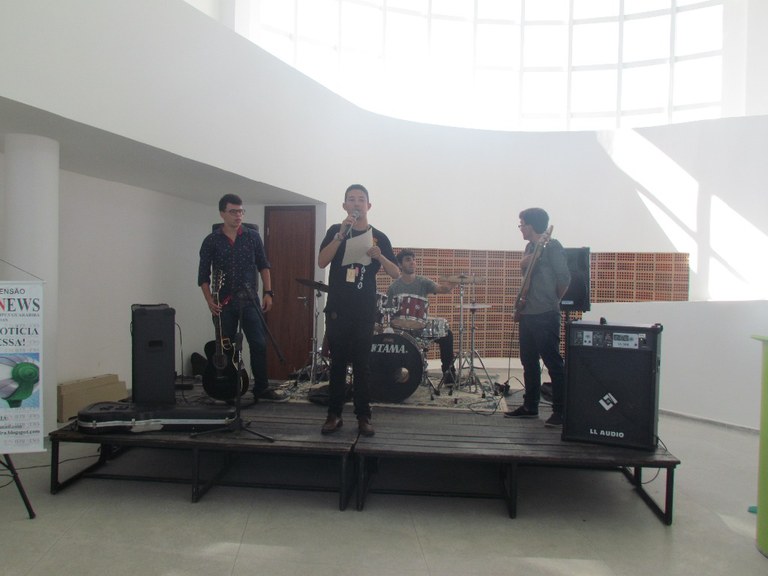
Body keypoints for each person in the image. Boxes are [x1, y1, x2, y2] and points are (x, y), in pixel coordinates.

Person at [318, 184, 400, 436]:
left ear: (368, 206)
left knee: (363, 365)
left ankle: (363, 416)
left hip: (364, 309)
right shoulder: (336, 231)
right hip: (338, 308)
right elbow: (321, 261)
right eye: (351, 199)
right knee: (338, 364)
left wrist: (380, 257)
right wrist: (340, 235)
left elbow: (396, 273)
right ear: (344, 206)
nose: (356, 203)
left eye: (361, 199)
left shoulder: (379, 237)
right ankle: (334, 415)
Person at [198, 193, 287, 402]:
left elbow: (263, 265)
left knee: (258, 344)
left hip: (250, 301)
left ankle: (262, 388)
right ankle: (228, 388)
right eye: (233, 212)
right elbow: (203, 276)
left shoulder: (252, 237)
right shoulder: (211, 241)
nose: (238, 215)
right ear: (222, 213)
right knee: (225, 348)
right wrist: (209, 300)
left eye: (241, 211)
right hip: (223, 303)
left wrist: (268, 292)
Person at [505, 207, 570, 427]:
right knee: (529, 362)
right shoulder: (530, 247)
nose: (520, 228)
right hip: (527, 313)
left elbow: (564, 278)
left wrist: (552, 300)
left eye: (522, 224)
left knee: (553, 363)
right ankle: (530, 406)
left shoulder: (552, 247)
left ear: (531, 226)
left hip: (545, 314)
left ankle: (560, 411)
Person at [386, 249, 457, 383]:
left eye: (414, 260)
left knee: (447, 335)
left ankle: (449, 377)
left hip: (421, 329)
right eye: (408, 260)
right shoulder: (393, 287)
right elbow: (388, 312)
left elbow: (441, 289)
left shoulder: (423, 282)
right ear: (400, 264)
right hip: (400, 331)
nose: (412, 262)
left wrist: (451, 284)